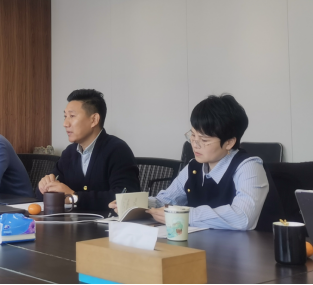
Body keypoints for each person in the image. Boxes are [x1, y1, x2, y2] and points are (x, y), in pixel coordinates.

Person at [109, 94, 269, 231]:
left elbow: (243, 217)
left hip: (253, 251)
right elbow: (165, 200)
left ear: (229, 142)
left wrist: (184, 215)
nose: (195, 144)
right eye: (192, 135)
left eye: (204, 139)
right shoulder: (194, 166)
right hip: (205, 245)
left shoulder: (249, 167)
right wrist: (133, 205)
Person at [37, 89, 140, 212]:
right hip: (73, 221)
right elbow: (42, 195)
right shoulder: (69, 153)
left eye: (72, 116)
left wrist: (74, 197)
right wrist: (44, 187)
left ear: (94, 120)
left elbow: (127, 197)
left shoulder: (117, 150)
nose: (65, 123)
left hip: (107, 223)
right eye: (65, 116)